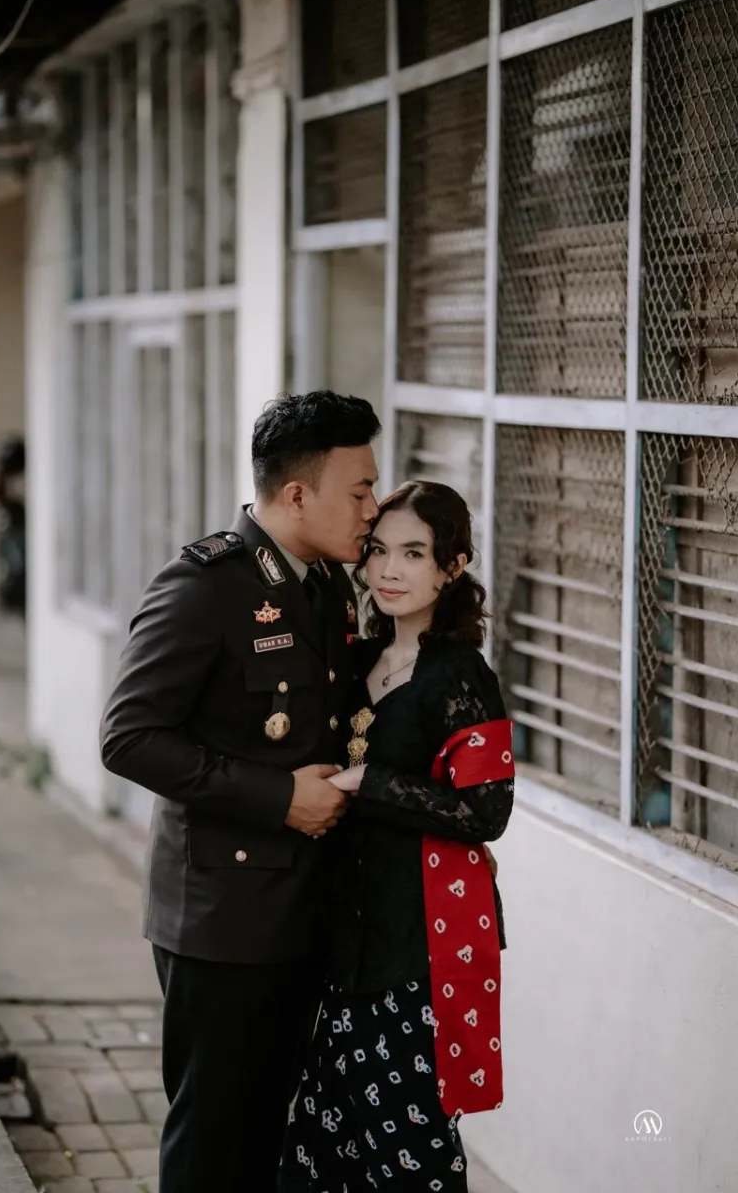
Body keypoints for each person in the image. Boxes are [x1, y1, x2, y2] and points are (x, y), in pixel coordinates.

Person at [99, 390, 381, 1193]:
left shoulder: (326, 583)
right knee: (213, 1141)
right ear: (297, 494)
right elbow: (128, 738)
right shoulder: (206, 586)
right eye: (359, 490)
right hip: (222, 920)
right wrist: (277, 797)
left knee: (265, 1136)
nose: (371, 507)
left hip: (302, 910)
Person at [280, 480, 514, 1192]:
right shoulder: (359, 661)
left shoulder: (462, 678)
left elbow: (487, 813)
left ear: (452, 566)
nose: (388, 570)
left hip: (419, 943)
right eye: (379, 550)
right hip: (345, 932)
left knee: (407, 1141)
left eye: (414, 553)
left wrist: (371, 782)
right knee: (327, 1137)